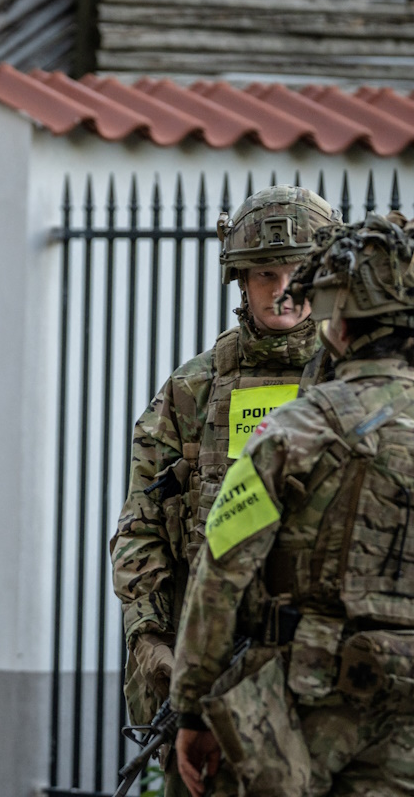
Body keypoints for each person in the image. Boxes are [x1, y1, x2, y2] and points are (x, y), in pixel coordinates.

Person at [170, 213, 414, 796]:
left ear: (337, 325)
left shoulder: (290, 433)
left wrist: (193, 709)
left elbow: (220, 578)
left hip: (294, 717)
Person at [110, 185, 341, 795]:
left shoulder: (356, 383)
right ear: (240, 279)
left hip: (329, 679)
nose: (281, 288)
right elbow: (140, 526)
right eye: (264, 271)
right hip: (212, 677)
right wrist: (151, 639)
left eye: (297, 271)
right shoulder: (195, 389)